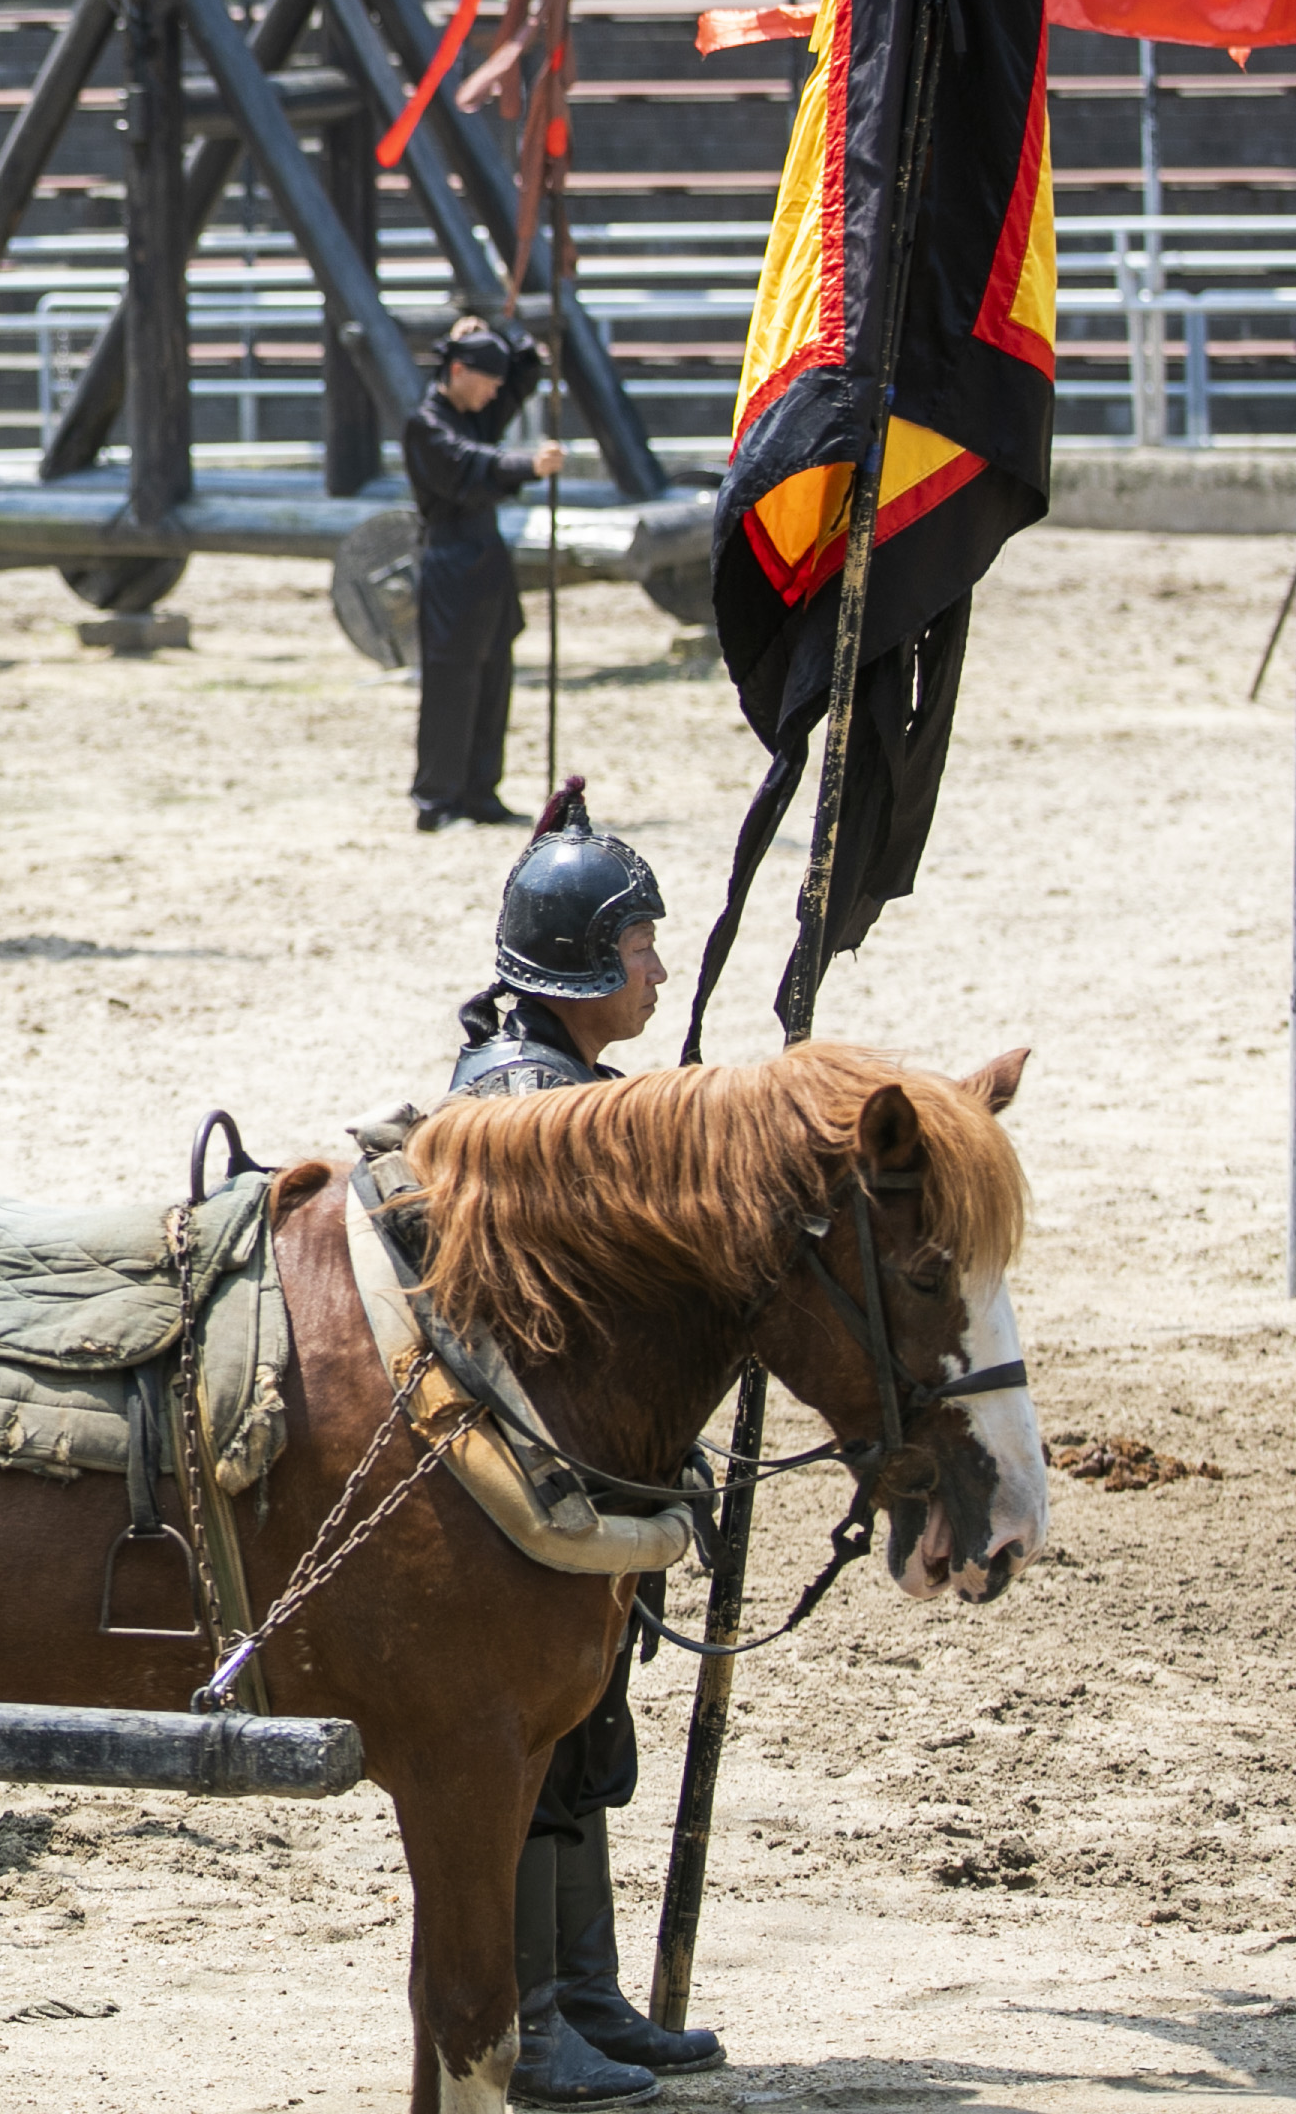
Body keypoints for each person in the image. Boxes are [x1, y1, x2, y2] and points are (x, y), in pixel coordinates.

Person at [443, 785, 721, 2106]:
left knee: (586, 1737)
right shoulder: (520, 1097)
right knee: (541, 1752)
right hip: (515, 1487)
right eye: (641, 942)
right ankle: (538, 2010)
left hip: (582, 1479)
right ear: (582, 960)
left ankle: (589, 1993)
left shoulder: (560, 1074)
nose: (656, 964)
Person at [405, 315, 560, 832]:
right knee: (452, 682)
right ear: (457, 369)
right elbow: (469, 464)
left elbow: (525, 368)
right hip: (449, 561)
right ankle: (436, 800)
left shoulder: (478, 412)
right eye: (487, 380)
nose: (497, 392)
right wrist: (526, 466)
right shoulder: (427, 425)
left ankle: (479, 792)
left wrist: (493, 327)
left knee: (494, 677)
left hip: (487, 557)